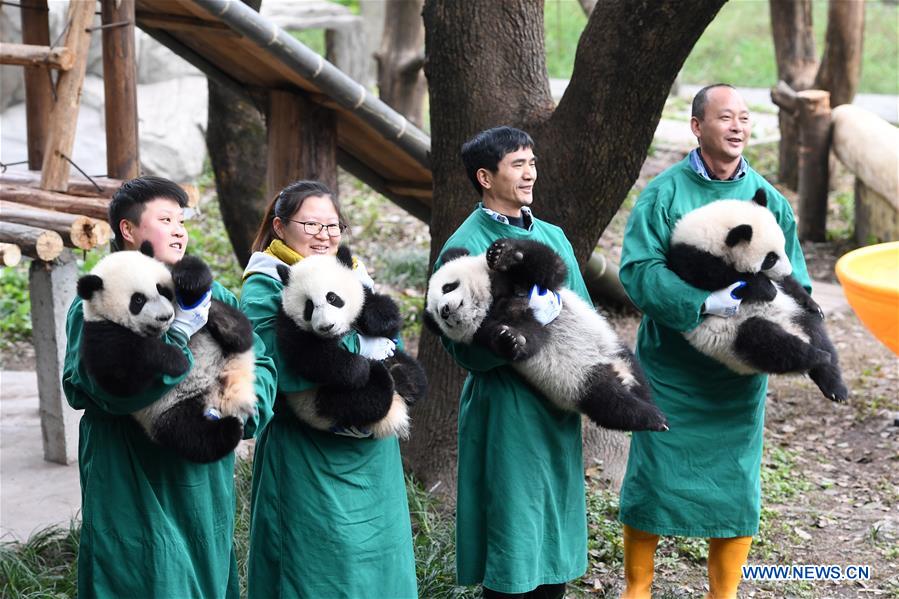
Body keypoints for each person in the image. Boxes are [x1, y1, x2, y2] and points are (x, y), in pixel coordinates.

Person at [616, 84, 813, 599]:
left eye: (745, 118)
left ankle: (722, 594)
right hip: (672, 369)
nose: (737, 126)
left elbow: (798, 282)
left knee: (735, 485)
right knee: (654, 477)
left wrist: (776, 327)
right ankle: (637, 588)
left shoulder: (769, 201)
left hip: (736, 376)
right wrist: (704, 303)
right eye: (725, 117)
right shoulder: (663, 194)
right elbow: (638, 271)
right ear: (697, 126)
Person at [62, 175, 276, 598]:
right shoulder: (100, 300)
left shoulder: (217, 297)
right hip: (131, 478)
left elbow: (263, 366)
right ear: (129, 230)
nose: (180, 229)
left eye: (182, 219)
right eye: (165, 218)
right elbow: (97, 384)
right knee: (142, 578)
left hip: (204, 481)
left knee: (205, 576)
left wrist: (236, 407)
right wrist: (175, 337)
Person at [241, 180, 417, 599]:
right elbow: (279, 363)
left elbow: (393, 342)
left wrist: (383, 354)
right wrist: (361, 345)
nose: (324, 236)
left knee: (380, 566)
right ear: (280, 227)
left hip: (373, 455)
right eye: (312, 225)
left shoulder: (351, 271)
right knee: (315, 568)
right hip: (307, 454)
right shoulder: (267, 282)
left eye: (332, 226)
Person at [435, 126, 590, 599]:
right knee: (513, 536)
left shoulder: (552, 236)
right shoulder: (464, 247)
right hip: (507, 409)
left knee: (551, 537)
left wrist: (563, 321)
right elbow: (459, 342)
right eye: (517, 164)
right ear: (485, 176)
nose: (530, 173)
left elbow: (583, 311)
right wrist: (520, 333)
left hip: (555, 404)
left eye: (532, 162)